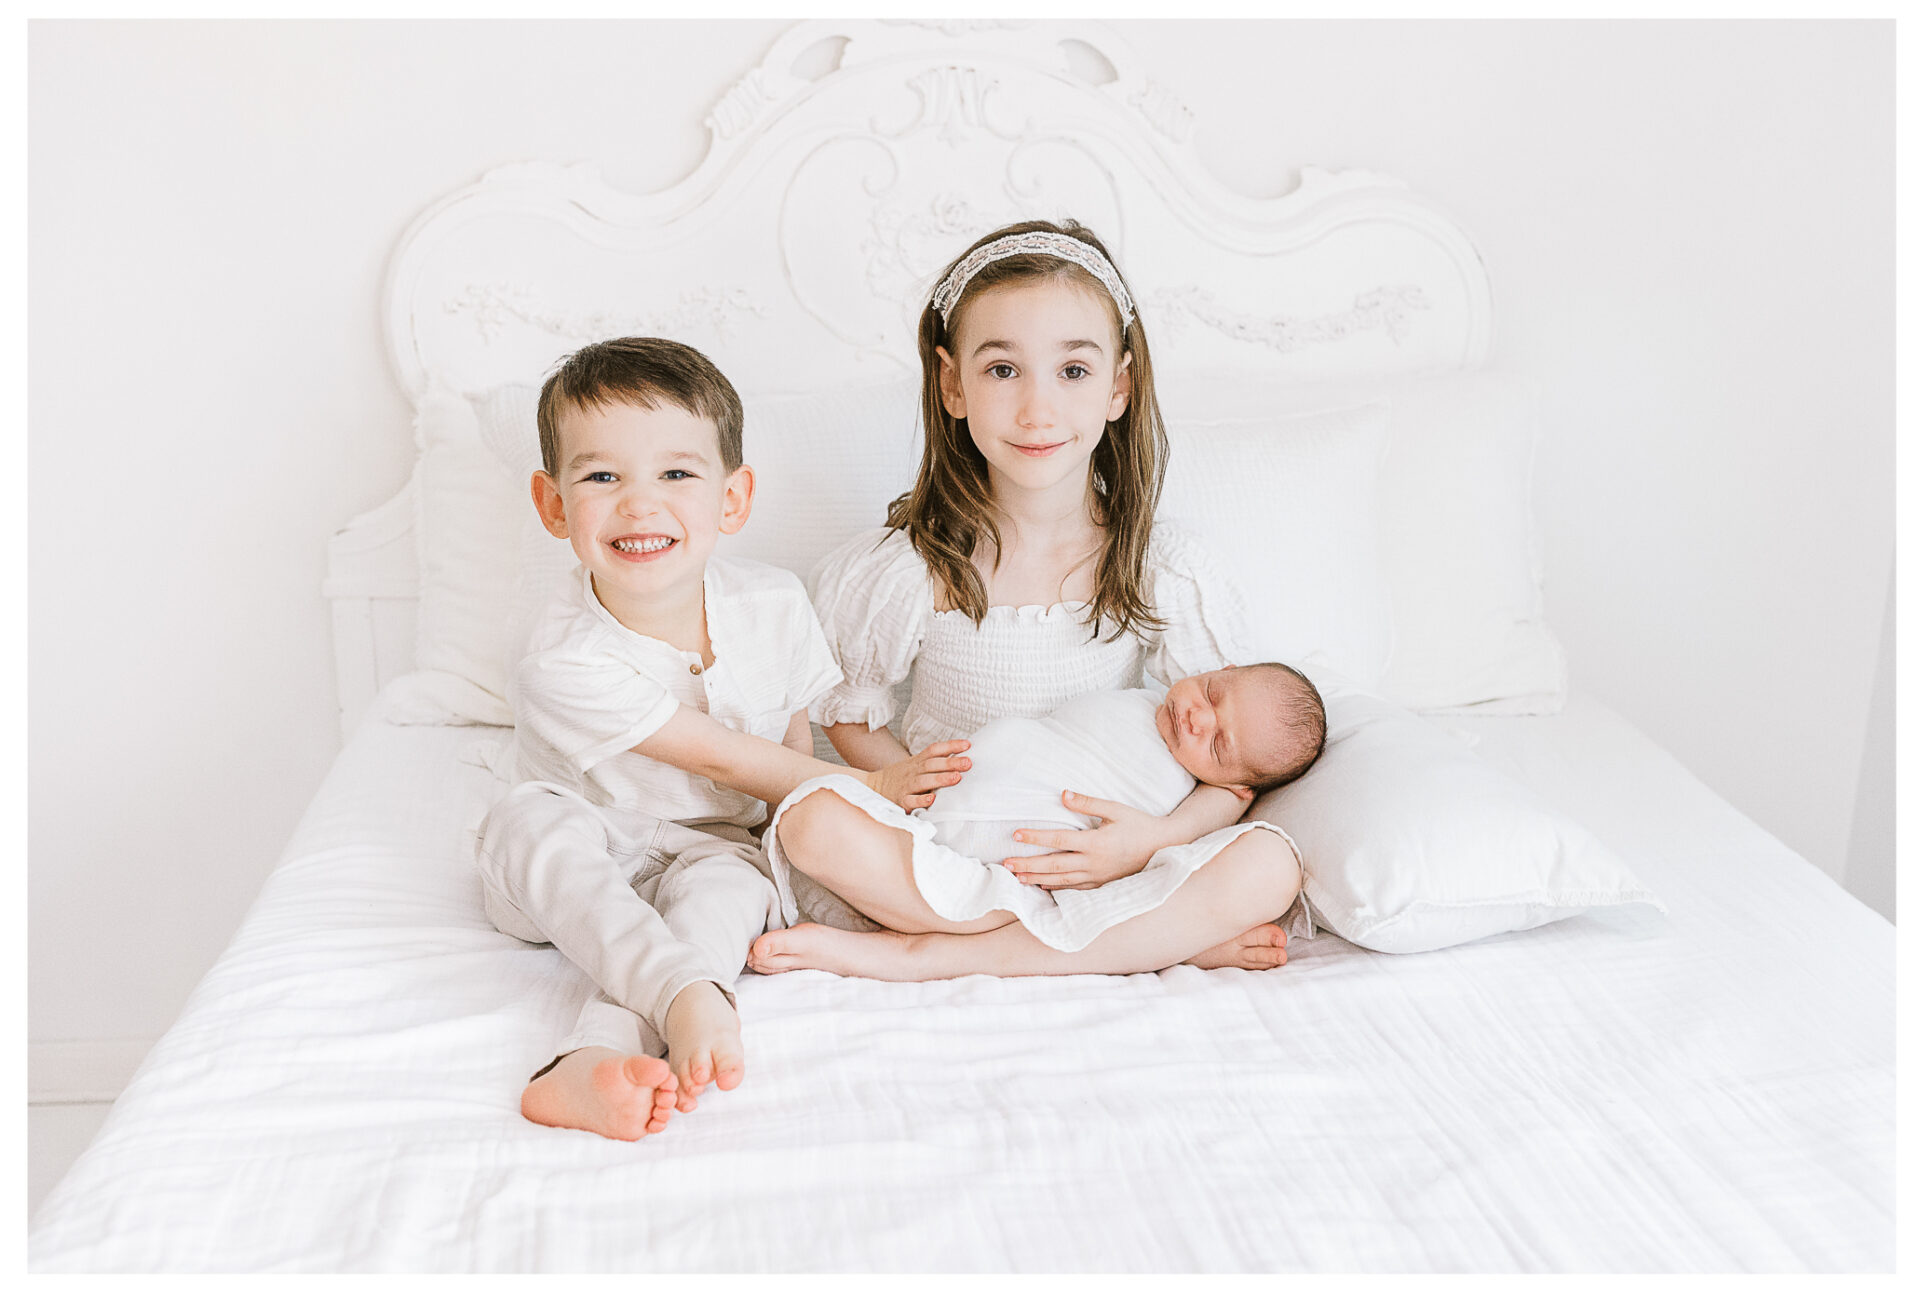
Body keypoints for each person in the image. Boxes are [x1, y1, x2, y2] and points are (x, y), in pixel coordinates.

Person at [753, 219, 1304, 979]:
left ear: (1120, 386)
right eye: (1003, 370)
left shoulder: (1163, 567)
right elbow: (848, 711)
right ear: (953, 385)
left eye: (1073, 371)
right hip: (951, 846)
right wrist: (900, 781)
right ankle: (1126, 944)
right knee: (811, 824)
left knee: (1270, 864)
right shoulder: (904, 569)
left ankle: (927, 956)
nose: (1037, 410)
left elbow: (1232, 767)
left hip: (1098, 855)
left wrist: (1149, 843)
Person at [472, 337, 965, 1141]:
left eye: (676, 474)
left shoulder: (775, 602)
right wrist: (866, 786)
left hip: (716, 844)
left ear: (732, 499)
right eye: (602, 476)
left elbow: (788, 760)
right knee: (528, 823)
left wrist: (816, 850)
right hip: (592, 842)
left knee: (730, 894)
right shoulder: (557, 655)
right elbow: (721, 755)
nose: (640, 504)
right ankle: (686, 993)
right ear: (553, 503)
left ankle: (589, 1059)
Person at [753, 662, 1325, 971]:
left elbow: (1228, 804)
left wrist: (1158, 838)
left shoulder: (1206, 794)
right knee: (810, 818)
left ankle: (908, 954)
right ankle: (1176, 948)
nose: (1199, 718)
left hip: (997, 892)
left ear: (1235, 780)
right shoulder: (1148, 697)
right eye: (1212, 691)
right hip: (923, 834)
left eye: (1219, 744)